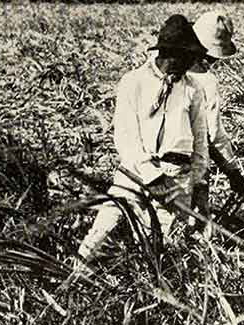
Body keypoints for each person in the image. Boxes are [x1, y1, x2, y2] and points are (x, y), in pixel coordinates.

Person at [76, 15, 208, 267]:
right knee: (99, 236)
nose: (191, 63)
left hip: (176, 179)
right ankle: (70, 281)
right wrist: (152, 177)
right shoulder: (133, 82)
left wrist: (199, 184)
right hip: (133, 174)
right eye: (187, 57)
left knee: (163, 251)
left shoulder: (193, 89)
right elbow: (126, 138)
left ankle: (151, 293)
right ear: (170, 54)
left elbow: (200, 141)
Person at [189, 11, 244, 218]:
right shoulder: (206, 83)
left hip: (146, 165)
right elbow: (214, 134)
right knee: (194, 221)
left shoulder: (158, 67)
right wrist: (232, 171)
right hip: (191, 166)